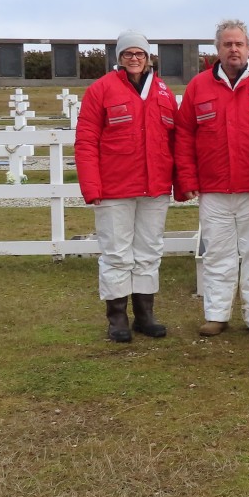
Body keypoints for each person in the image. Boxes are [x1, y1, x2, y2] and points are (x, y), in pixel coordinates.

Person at [175, 19, 249, 339]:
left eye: (239, 44)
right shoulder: (199, 87)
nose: (233, 49)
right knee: (218, 254)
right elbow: (184, 135)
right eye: (227, 44)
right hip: (214, 188)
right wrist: (188, 177)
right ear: (218, 49)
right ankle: (217, 313)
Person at [74, 30, 179, 343]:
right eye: (128, 54)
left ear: (148, 58)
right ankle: (117, 316)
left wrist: (180, 182)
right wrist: (91, 187)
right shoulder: (100, 91)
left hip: (155, 187)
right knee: (117, 253)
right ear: (118, 58)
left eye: (140, 54)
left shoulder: (162, 92)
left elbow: (176, 141)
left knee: (149, 251)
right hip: (114, 188)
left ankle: (145, 314)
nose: (134, 58)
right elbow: (86, 140)